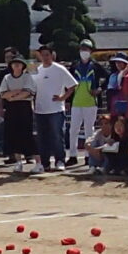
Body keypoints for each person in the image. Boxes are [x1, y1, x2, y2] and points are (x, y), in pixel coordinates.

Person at [30, 43, 76, 171]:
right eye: (42, 55)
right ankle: (45, 163)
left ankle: (60, 160)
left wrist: (63, 97)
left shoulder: (59, 69)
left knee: (57, 136)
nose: (45, 57)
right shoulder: (37, 70)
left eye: (47, 55)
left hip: (56, 109)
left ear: (52, 55)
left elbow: (72, 85)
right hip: (40, 109)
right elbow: (31, 88)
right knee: (42, 137)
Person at [0, 53, 38, 174]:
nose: (16, 66)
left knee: (28, 134)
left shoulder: (27, 77)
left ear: (23, 66)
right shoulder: (7, 78)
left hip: (24, 108)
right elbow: (3, 94)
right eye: (14, 64)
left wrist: (13, 97)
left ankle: (38, 163)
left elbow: (28, 92)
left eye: (19, 64)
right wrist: (15, 93)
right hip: (11, 109)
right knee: (13, 135)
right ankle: (18, 162)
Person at [67, 46, 102, 164]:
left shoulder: (95, 65)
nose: (84, 52)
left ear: (91, 51)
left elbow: (107, 76)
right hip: (76, 102)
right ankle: (72, 155)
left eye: (86, 50)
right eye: (82, 49)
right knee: (73, 129)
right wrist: (68, 100)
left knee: (89, 130)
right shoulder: (75, 65)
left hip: (91, 102)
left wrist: (99, 89)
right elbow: (68, 82)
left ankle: (88, 156)